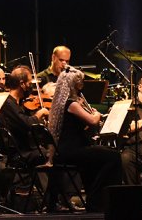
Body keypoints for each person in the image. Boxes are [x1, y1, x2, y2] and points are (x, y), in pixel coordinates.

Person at [48, 67, 121, 211]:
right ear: (73, 85)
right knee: (113, 156)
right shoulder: (72, 104)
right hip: (71, 151)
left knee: (100, 157)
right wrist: (96, 114)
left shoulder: (64, 104)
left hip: (66, 150)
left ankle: (95, 202)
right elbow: (93, 121)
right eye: (79, 83)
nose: (82, 86)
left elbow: (80, 128)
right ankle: (96, 198)